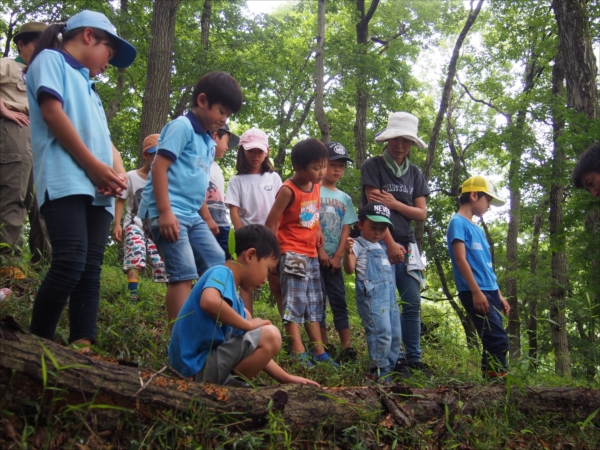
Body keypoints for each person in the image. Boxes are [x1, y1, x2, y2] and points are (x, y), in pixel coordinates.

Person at [26, 10, 136, 349]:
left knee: (90, 270)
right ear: (88, 36)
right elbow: (52, 113)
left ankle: (83, 347)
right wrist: (92, 167)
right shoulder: (50, 61)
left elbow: (101, 142)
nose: (108, 63)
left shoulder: (92, 92)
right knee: (70, 261)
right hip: (65, 182)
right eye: (109, 52)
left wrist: (112, 176)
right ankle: (36, 346)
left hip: (97, 192)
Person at [137, 71, 243, 329]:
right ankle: (179, 337)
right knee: (183, 272)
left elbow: (197, 184)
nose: (223, 119)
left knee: (217, 261)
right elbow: (159, 168)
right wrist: (164, 213)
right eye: (221, 111)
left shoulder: (207, 140)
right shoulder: (181, 127)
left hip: (192, 214)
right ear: (202, 100)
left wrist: (206, 217)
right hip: (167, 212)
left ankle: (209, 323)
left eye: (228, 115)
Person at [169, 224, 320, 388]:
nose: (265, 280)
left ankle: (229, 385)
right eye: (268, 270)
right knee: (271, 334)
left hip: (202, 369)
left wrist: (286, 378)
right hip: (194, 370)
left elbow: (257, 348)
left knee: (253, 323)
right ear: (250, 255)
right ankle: (231, 387)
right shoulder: (221, 272)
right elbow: (209, 302)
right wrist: (248, 325)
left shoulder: (237, 305)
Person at [361, 112, 430, 375]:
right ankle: (392, 359)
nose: (399, 145)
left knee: (412, 303)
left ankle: (414, 358)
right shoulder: (373, 165)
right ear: (387, 140)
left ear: (412, 143)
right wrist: (389, 244)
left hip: (409, 245)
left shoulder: (414, 173)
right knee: (385, 304)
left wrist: (395, 204)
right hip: (380, 244)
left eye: (405, 140)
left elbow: (421, 213)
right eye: (395, 139)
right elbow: (373, 207)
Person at [265, 138, 337, 367]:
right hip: (292, 252)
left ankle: (318, 350)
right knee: (294, 302)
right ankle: (297, 350)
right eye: (316, 168)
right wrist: (273, 258)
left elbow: (312, 214)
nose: (322, 172)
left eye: (324, 166)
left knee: (314, 302)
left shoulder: (316, 186)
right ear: (299, 168)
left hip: (311, 254)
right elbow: (270, 224)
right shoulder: (288, 190)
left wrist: (317, 231)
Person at [0, 21, 51, 281]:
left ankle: (44, 263)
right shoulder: (7, 65)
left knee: (43, 200)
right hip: (14, 128)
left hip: (40, 134)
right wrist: (4, 109)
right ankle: (8, 262)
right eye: (37, 45)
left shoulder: (44, 74)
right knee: (15, 193)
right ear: (21, 44)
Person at [446, 176, 510, 378]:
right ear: (474, 195)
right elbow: (460, 259)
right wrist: (476, 292)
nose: (489, 206)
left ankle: (491, 381)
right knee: (497, 338)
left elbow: (486, 266)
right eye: (488, 200)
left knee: (494, 337)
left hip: (489, 290)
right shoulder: (457, 223)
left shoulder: (478, 230)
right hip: (475, 291)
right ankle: (497, 384)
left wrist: (498, 294)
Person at [225, 128, 282, 314]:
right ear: (243, 152)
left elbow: (281, 209)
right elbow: (234, 211)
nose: (255, 155)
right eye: (250, 151)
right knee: (245, 284)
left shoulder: (273, 178)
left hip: (271, 236)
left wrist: (276, 234)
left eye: (259, 151)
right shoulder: (237, 181)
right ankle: (246, 322)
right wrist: (244, 236)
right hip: (248, 238)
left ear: (267, 152)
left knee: (276, 280)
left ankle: (287, 322)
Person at [344, 202, 401, 382]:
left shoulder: (382, 247)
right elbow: (350, 269)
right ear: (360, 224)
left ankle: (389, 368)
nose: (377, 232)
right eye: (373, 227)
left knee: (395, 332)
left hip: (389, 296)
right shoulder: (358, 244)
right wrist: (347, 253)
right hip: (372, 296)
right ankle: (377, 370)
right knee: (380, 330)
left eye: (382, 229)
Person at [113, 134, 168, 301]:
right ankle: (133, 293)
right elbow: (121, 200)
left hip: (155, 226)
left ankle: (171, 295)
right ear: (146, 155)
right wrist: (117, 224)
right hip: (134, 223)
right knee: (136, 249)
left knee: (163, 258)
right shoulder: (131, 176)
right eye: (154, 155)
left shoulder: (164, 179)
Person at [318, 142, 358, 361]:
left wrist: (337, 256)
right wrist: (321, 251)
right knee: (318, 302)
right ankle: (323, 345)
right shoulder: (313, 190)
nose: (336, 170)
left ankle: (347, 346)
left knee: (338, 300)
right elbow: (311, 222)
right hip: (315, 258)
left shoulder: (345, 199)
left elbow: (346, 228)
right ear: (322, 165)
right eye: (332, 165)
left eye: (341, 166)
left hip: (335, 261)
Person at [199, 124, 239, 258]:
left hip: (221, 224)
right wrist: (207, 218)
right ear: (215, 136)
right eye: (226, 142)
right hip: (205, 224)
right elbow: (196, 191)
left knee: (226, 262)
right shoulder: (200, 162)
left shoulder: (215, 166)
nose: (227, 147)